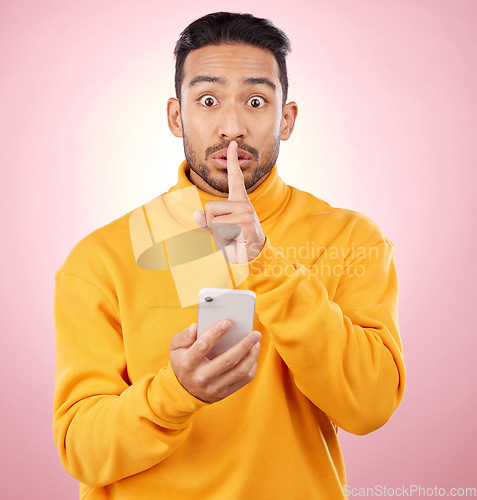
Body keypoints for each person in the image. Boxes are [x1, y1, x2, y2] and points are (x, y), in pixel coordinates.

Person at [53, 11, 405, 499]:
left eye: (256, 101)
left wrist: (265, 263)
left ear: (286, 119)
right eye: (209, 100)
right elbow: (82, 451)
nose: (232, 127)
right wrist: (176, 394)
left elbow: (370, 404)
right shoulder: (100, 259)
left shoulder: (350, 239)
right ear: (177, 115)